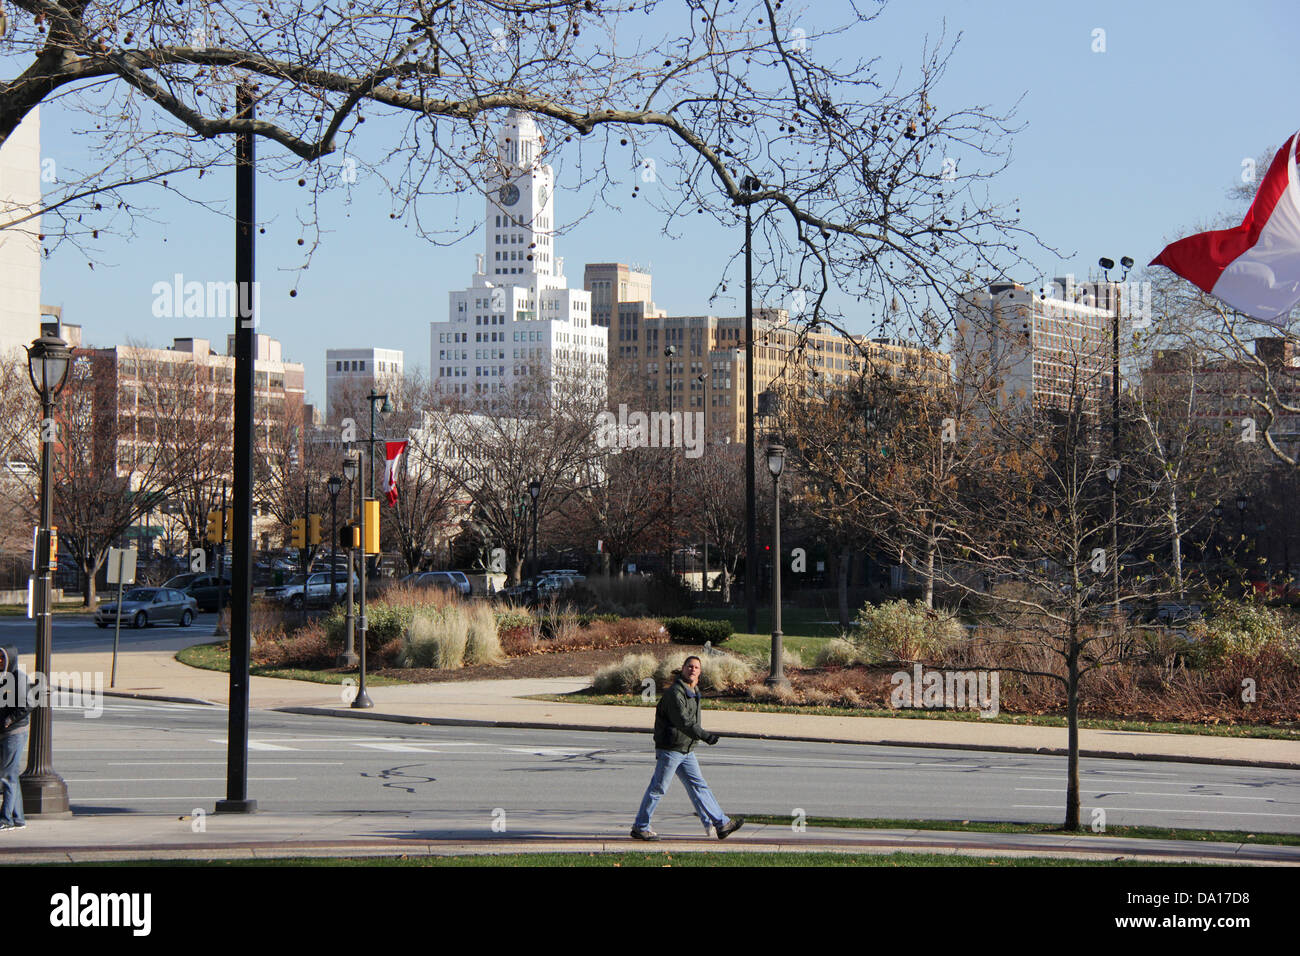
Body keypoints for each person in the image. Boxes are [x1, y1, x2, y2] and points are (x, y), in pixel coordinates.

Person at [631, 655, 744, 841]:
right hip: (671, 749)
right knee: (658, 788)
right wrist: (705, 735)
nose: (693, 669)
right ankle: (640, 826)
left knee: (699, 786)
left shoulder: (692, 690)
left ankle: (722, 823)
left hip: (685, 749)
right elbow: (683, 721)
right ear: (683, 669)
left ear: (700, 672)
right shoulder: (675, 693)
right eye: (689, 666)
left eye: (696, 667)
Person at [0, 644, 30, 832]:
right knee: (10, 776)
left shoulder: (18, 678)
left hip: (14, 733)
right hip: (4, 733)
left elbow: (28, 704)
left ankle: (6, 819)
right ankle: (18, 819)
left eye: (2, 657)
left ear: (10, 658)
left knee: (6, 776)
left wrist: (10, 719)